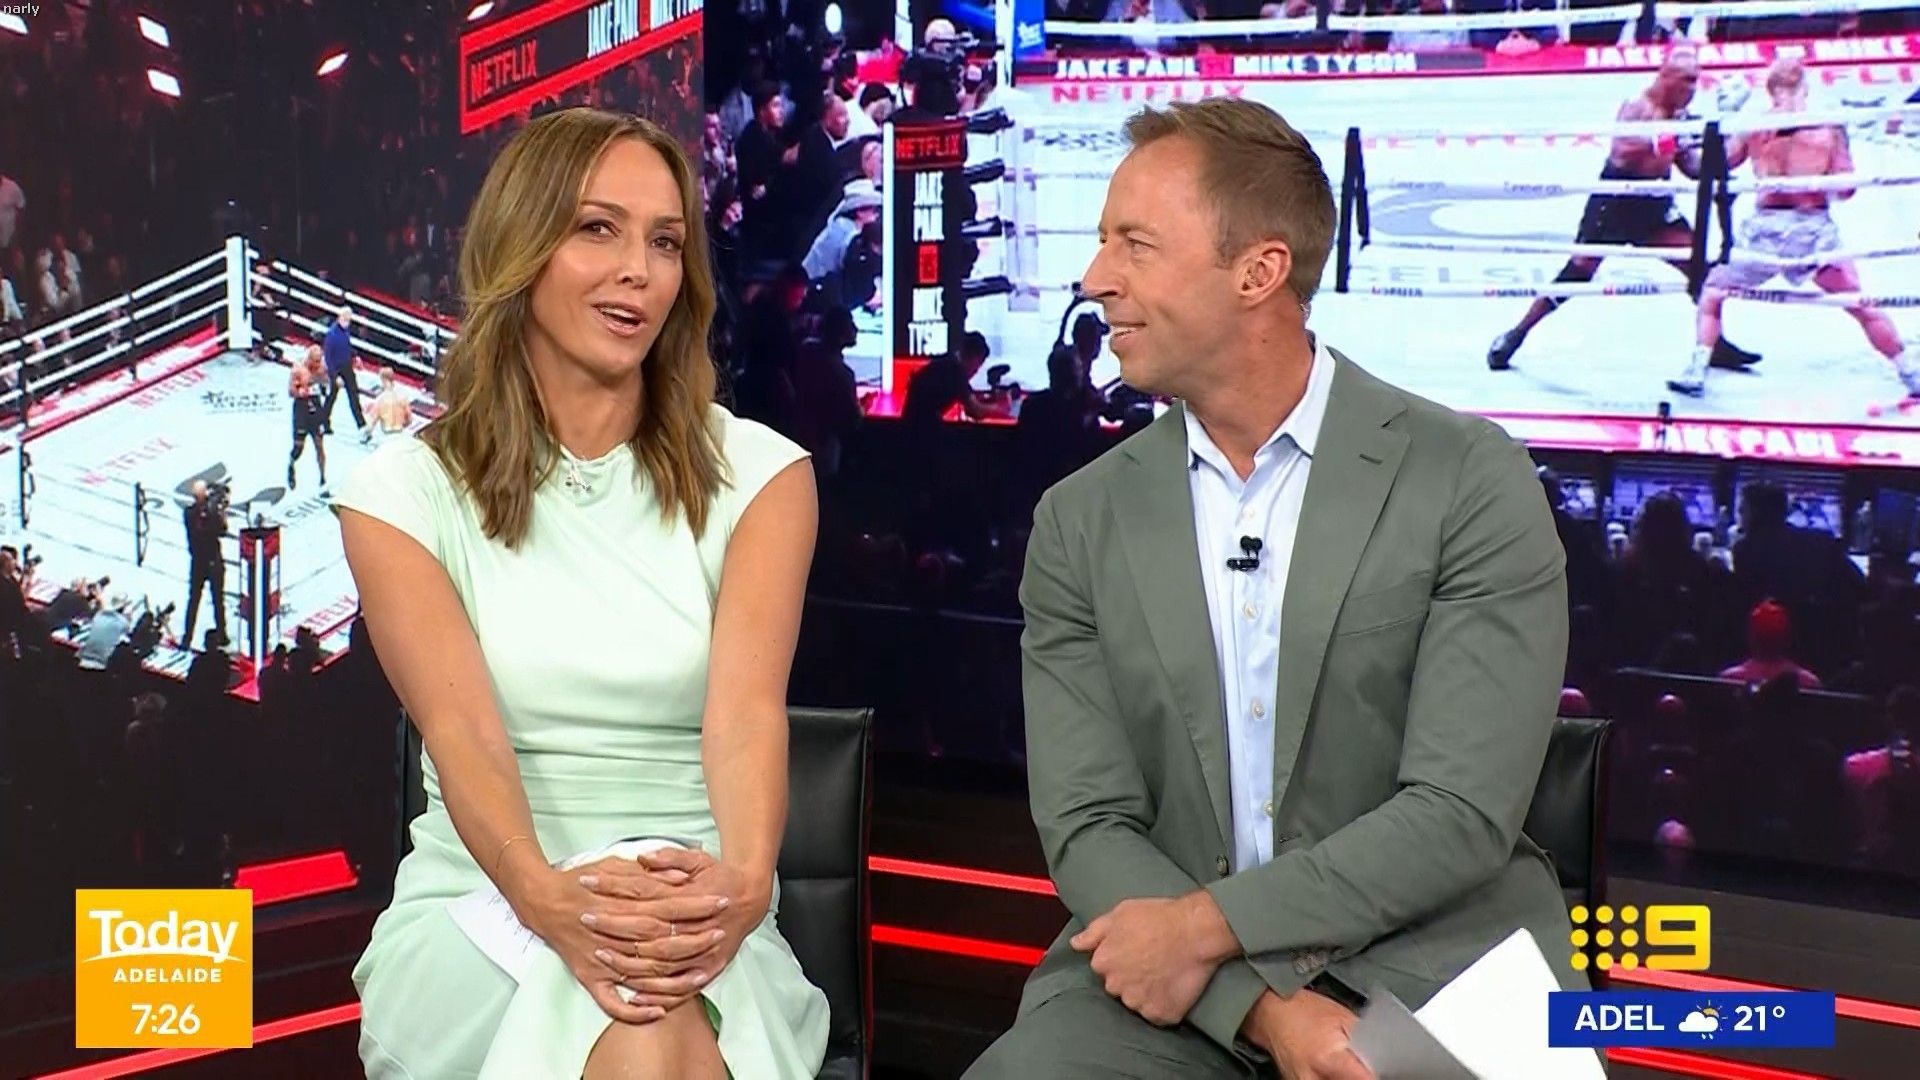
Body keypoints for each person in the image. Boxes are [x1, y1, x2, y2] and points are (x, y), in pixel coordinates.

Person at [964, 98, 1589, 1078]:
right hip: (1166, 991)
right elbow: (1089, 824)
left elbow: (1458, 812)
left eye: (1134, 245)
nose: (1095, 279)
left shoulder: (1467, 479)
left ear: (1258, 273)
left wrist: (1206, 927)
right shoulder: (1080, 521)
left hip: (1432, 964)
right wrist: (1261, 1007)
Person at [333, 108, 829, 1078]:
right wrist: (547, 897)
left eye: (665, 242)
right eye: (598, 229)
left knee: (652, 1017)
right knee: (644, 1029)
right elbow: (463, 734)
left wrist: (741, 888)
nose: (638, 270)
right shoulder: (401, 494)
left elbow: (743, 718)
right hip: (490, 894)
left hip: (695, 896)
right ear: (520, 250)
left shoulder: (762, 478)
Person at [1486, 47, 1763, 374]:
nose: (1693, 89)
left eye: (1696, 81)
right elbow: (1624, 150)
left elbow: (1691, 167)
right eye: (1687, 80)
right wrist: (1677, 138)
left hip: (1654, 205)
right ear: (1666, 77)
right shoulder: (1637, 107)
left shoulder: (1679, 117)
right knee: (1577, 273)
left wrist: (1729, 146)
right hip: (1616, 202)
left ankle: (1713, 345)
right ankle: (1517, 334)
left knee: (1700, 268)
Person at [1669, 55, 1920, 399]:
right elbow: (1847, 190)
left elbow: (1709, 168)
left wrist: (1678, 148)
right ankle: (1910, 373)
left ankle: (1696, 370)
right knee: (1861, 304)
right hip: (1813, 232)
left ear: (1770, 90)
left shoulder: (1755, 127)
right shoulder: (1827, 128)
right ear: (1805, 87)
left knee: (1712, 292)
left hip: (1764, 233)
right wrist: (1815, 177)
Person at [182, 481, 228, 651]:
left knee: (195, 600)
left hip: (198, 561)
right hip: (211, 561)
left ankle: (187, 637)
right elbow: (222, 530)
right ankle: (222, 635)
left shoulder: (189, 513)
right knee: (216, 600)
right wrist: (219, 512)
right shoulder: (206, 514)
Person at [320, 305, 370, 441]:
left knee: (354, 397)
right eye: (346, 319)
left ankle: (362, 426)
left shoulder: (345, 331)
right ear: (340, 317)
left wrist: (355, 356)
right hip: (335, 368)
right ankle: (323, 422)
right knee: (331, 397)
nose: (347, 322)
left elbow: (347, 346)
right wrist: (335, 376)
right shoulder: (331, 335)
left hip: (347, 367)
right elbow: (328, 358)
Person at [288, 345, 328, 490]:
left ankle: (323, 478)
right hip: (301, 408)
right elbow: (290, 391)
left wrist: (326, 384)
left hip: (315, 407)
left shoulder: (322, 369)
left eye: (319, 360)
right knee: (299, 447)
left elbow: (327, 384)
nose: (317, 364)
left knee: (319, 445)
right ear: (309, 358)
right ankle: (291, 464)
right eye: (315, 361)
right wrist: (299, 392)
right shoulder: (298, 370)